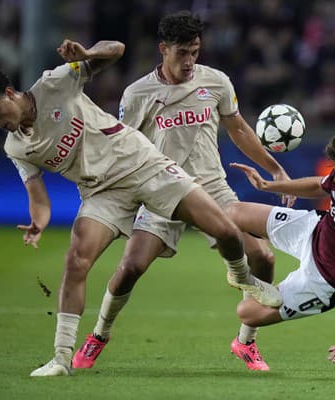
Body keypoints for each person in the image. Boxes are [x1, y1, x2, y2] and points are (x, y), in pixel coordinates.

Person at [0, 38, 282, 377]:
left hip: (142, 164)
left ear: (9, 93)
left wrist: (87, 55)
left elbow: (116, 49)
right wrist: (38, 222)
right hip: (102, 192)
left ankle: (242, 278)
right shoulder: (16, 147)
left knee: (226, 230)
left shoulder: (55, 83)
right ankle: (61, 357)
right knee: (77, 259)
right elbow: (37, 195)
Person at [73, 11, 294, 371]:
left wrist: (275, 168)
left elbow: (238, 129)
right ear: (163, 49)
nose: (190, 61)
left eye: (195, 51)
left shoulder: (216, 82)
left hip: (212, 188)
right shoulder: (138, 93)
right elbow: (121, 147)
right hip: (160, 188)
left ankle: (246, 342)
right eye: (182, 53)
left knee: (264, 258)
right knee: (130, 267)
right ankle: (99, 334)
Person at [226, 130, 335, 368]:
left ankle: (244, 340)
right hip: (314, 230)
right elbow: (320, 186)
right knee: (232, 214)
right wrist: (270, 185)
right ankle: (245, 273)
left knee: (247, 312)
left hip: (326, 281)